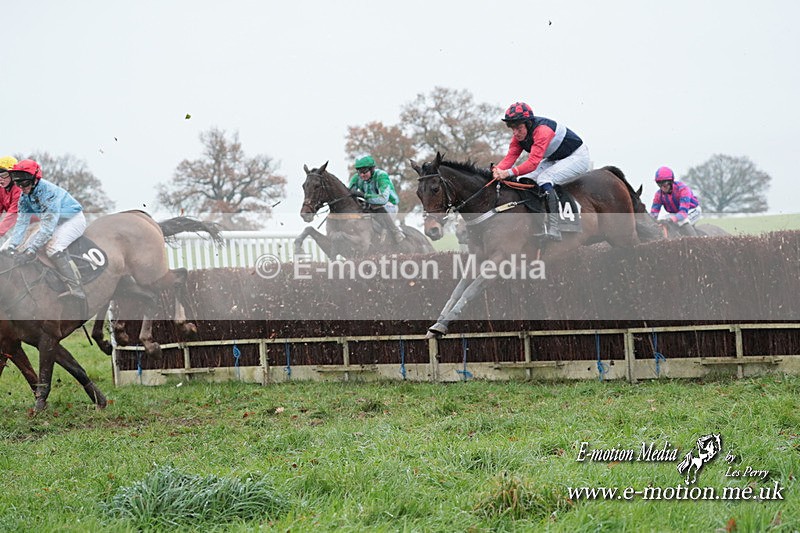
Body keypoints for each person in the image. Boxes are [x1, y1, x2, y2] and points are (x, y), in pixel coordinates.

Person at [491, 102, 591, 241]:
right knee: (524, 179)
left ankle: (554, 228)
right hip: (555, 158)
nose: (515, 133)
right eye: (512, 128)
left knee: (544, 179)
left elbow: (532, 163)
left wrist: (507, 173)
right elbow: (510, 158)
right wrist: (496, 172)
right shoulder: (518, 137)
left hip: (577, 156)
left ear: (528, 123)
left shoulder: (542, 130)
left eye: (518, 128)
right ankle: (538, 221)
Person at [5, 159, 87, 300]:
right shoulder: (25, 197)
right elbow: (22, 223)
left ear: (35, 179)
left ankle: (76, 287)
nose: (21, 187)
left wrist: (31, 251)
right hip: (55, 221)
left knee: (53, 248)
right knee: (23, 247)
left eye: (25, 183)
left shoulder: (48, 193)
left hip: (73, 220)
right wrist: (12, 246)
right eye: (18, 183)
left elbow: (47, 228)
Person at [347, 155, 405, 243]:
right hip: (371, 204)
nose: (362, 175)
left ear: (372, 169)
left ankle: (395, 232)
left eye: (364, 171)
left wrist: (363, 195)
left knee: (378, 207)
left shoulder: (381, 176)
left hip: (389, 205)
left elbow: (383, 199)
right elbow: (349, 192)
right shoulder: (357, 178)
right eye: (359, 172)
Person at [649, 166, 701, 236]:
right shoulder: (658, 195)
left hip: (692, 211)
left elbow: (683, 213)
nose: (662, 187)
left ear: (671, 181)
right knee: (662, 220)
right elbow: (653, 214)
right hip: (677, 213)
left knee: (682, 221)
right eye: (659, 184)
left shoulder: (683, 189)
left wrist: (671, 220)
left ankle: (696, 242)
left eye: (664, 184)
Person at [0, 156, 20, 241]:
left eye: (4, 175)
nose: (0, 179)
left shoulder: (19, 190)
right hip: (21, 227)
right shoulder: (1, 189)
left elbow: (13, 214)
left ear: (13, 175)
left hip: (36, 224)